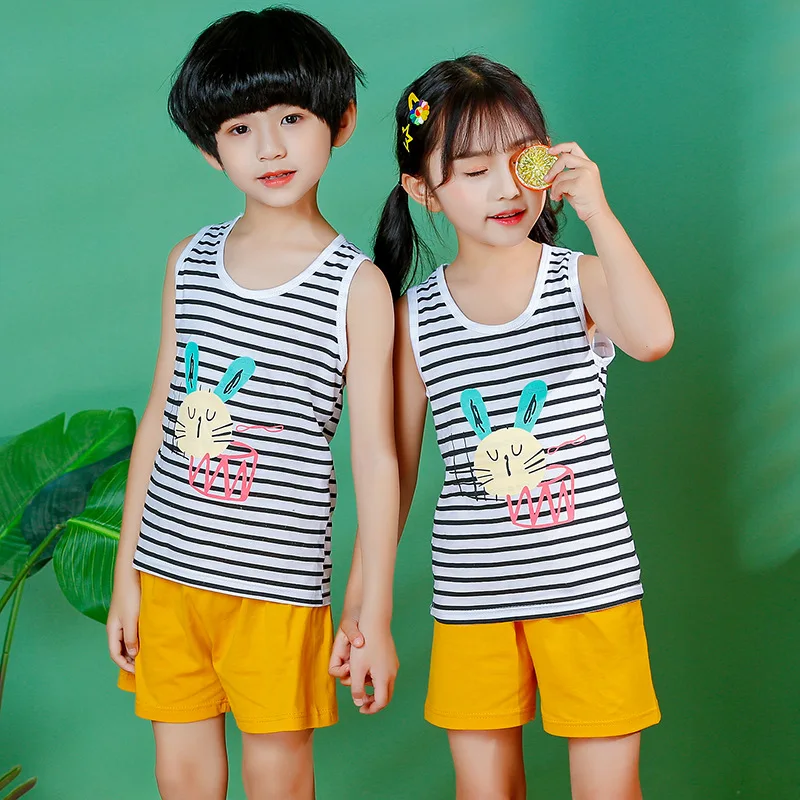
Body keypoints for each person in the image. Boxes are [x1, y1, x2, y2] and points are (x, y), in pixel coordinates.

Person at [331, 55, 673, 800]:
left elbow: (653, 338)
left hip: (591, 589)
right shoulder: (413, 318)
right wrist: (362, 608)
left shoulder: (579, 279)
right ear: (423, 190)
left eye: (520, 160)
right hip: (472, 600)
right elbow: (396, 471)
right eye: (473, 170)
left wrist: (599, 212)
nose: (507, 188)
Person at [106, 9, 399, 800]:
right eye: (240, 129)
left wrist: (373, 610)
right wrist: (127, 575)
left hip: (277, 590)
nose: (269, 148)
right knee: (181, 775)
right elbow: (161, 416)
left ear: (341, 121)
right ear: (211, 149)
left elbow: (377, 459)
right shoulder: (190, 260)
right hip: (169, 576)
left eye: (291, 119)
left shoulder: (356, 287)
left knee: (278, 778)